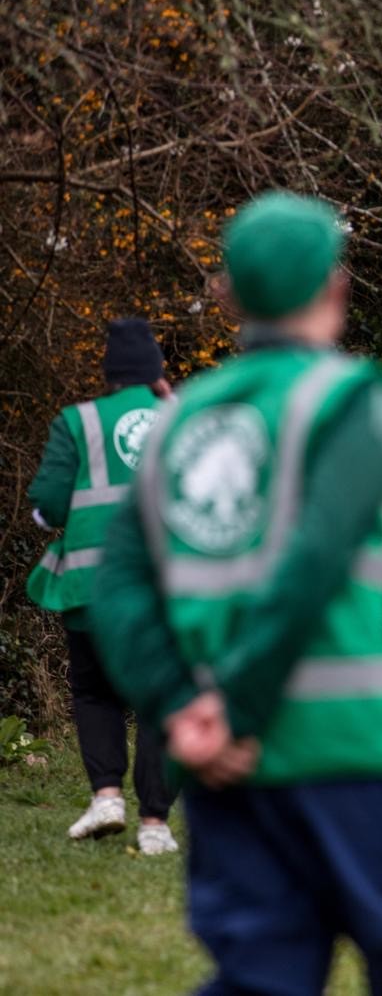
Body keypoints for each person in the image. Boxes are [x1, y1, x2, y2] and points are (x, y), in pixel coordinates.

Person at [91, 191, 382, 992]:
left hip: (225, 768)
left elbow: (116, 584)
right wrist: (240, 708)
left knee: (260, 979)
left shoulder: (177, 419)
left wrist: (181, 709)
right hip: (346, 749)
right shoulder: (349, 399)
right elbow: (314, 562)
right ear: (337, 286)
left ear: (228, 293)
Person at [26, 318, 179, 854]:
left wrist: (50, 515)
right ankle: (155, 824)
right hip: (165, 589)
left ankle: (107, 797)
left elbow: (49, 505)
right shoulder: (183, 419)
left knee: (95, 693)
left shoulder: (80, 421)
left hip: (93, 587)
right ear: (157, 373)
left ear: (109, 374)